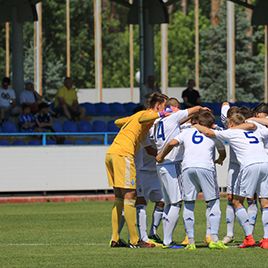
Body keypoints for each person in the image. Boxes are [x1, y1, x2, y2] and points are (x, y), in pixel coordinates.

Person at [105, 92, 169, 248]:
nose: (165, 109)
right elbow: (144, 118)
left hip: (111, 153)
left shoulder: (140, 119)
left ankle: (115, 238)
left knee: (119, 197)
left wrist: (130, 121)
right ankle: (136, 240)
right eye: (164, 106)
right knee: (130, 196)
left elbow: (117, 121)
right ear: (159, 105)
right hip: (124, 155)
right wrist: (162, 114)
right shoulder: (147, 114)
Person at [194, 113, 268, 249]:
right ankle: (266, 239)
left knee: (236, 201)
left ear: (232, 124)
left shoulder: (231, 132)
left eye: (228, 124)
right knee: (265, 203)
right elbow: (254, 125)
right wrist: (252, 121)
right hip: (265, 163)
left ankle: (249, 238)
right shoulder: (256, 128)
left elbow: (209, 132)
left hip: (249, 165)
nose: (227, 126)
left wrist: (195, 125)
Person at [156, 111, 227, 250]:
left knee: (189, 203)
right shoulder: (212, 133)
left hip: (187, 167)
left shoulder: (187, 132)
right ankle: (213, 239)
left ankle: (191, 241)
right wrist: (220, 159)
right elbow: (222, 151)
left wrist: (161, 155)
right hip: (206, 167)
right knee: (213, 202)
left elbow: (172, 142)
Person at [150, 97, 209, 248]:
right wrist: (203, 109)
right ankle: (168, 241)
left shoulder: (157, 122)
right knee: (176, 203)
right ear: (175, 108)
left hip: (161, 165)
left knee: (169, 203)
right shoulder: (175, 116)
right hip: (172, 163)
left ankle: (166, 239)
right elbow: (195, 109)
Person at [221, 103, 258, 245]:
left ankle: (249, 233)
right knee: (231, 198)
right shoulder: (229, 124)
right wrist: (225, 105)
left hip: (248, 165)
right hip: (234, 166)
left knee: (251, 198)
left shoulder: (251, 126)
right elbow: (224, 108)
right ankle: (229, 233)